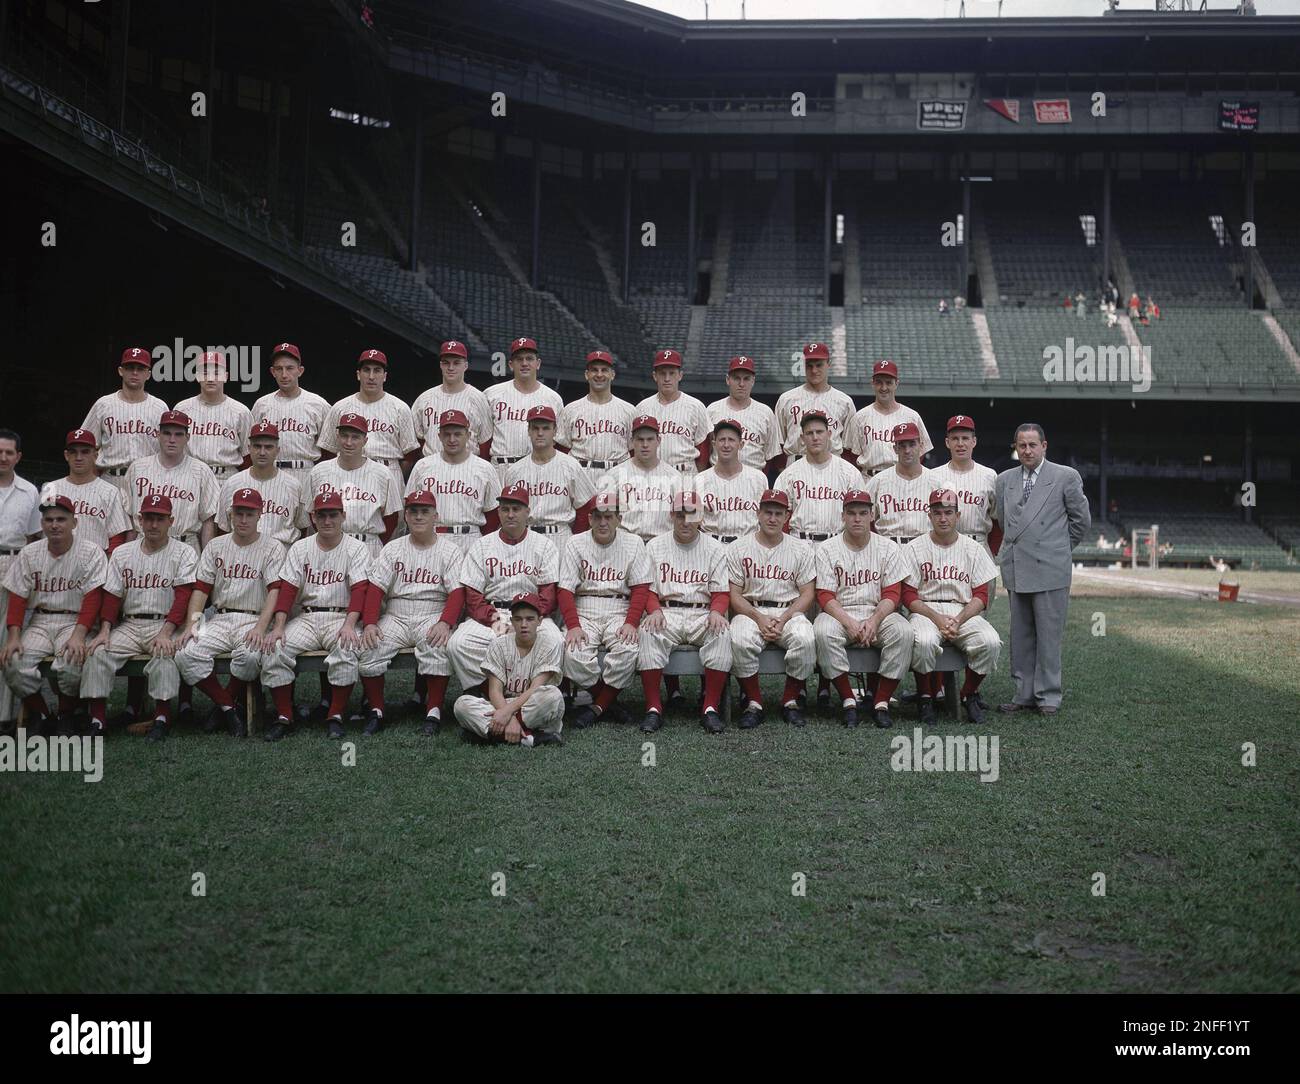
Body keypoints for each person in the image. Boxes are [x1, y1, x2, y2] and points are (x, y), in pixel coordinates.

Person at [80, 494, 197, 741]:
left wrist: (167, 632)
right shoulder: (122, 553)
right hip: (131, 624)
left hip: (164, 622)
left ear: (171, 521)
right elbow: (112, 596)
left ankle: (162, 718)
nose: (154, 524)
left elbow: (183, 597)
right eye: (149, 518)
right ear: (139, 520)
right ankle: (98, 720)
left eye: (160, 518)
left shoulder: (184, 552)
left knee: (165, 654)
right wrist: (105, 630)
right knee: (98, 652)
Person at [995, 424, 1091, 717]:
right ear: (1016, 447)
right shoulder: (1004, 480)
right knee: (1020, 635)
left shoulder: (1065, 476)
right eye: (1021, 446)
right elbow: (1003, 522)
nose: (1027, 451)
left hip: (1051, 569)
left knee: (1048, 635)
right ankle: (1023, 694)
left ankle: (1049, 695)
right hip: (1017, 567)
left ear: (1044, 445)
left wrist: (1056, 549)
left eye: (1032, 445)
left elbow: (1081, 522)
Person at [261, 490, 371, 742]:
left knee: (347, 646)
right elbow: (287, 590)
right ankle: (285, 716)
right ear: (313, 518)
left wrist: (350, 625)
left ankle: (335, 715)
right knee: (274, 646)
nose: (327, 521)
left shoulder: (356, 548)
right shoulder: (301, 548)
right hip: (307, 618)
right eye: (322, 515)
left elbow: (360, 590)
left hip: (340, 617)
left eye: (333, 515)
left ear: (343, 516)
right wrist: (278, 626)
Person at [174, 487, 283, 738]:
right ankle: (228, 707)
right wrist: (193, 625)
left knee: (250, 655)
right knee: (185, 652)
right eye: (239, 513)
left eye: (249, 514)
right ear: (231, 514)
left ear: (260, 514)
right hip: (221, 617)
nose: (243, 519)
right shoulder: (215, 546)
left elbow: (274, 593)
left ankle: (225, 705)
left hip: (253, 617)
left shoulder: (272, 547)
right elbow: (201, 591)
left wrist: (260, 627)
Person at [357, 490, 463, 736]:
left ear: (436, 515)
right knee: (369, 646)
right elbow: (375, 589)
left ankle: (433, 711)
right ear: (405, 515)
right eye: (413, 511)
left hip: (432, 612)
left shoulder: (450, 550)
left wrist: (446, 622)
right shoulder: (393, 549)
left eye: (424, 511)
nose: (418, 516)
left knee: (437, 646)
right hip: (396, 613)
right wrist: (371, 623)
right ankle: (376, 710)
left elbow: (457, 593)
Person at [0, 495, 106, 736]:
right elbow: (18, 596)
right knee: (13, 661)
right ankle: (42, 714)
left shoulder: (90, 552)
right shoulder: (30, 553)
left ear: (74, 522)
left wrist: (80, 635)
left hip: (74, 620)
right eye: (49, 520)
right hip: (40, 620)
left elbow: (93, 598)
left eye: (61, 519)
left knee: (72, 659)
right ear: (42, 523)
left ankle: (65, 714)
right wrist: (14, 636)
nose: (55, 524)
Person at [444, 481, 559, 695]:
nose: (511, 514)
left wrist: (524, 620)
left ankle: (533, 696)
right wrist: (496, 621)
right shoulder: (481, 545)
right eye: (505, 509)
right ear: (498, 512)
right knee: (458, 644)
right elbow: (474, 597)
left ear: (528, 512)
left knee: (555, 640)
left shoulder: (544, 546)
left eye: (516, 509)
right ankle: (488, 692)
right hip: (492, 614)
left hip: (530, 615)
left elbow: (548, 596)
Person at [900, 489, 1002, 726]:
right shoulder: (915, 547)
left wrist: (959, 619)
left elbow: (981, 595)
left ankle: (968, 693)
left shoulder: (973, 548)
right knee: (923, 642)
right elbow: (909, 596)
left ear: (958, 515)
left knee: (990, 642)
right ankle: (925, 697)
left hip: (963, 611)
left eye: (948, 512)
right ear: (929, 515)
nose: (943, 518)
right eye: (937, 513)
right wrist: (937, 618)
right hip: (925, 610)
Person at [814, 489, 912, 729]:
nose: (857, 518)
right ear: (843, 516)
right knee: (822, 632)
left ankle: (881, 702)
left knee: (904, 632)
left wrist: (875, 621)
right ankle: (848, 700)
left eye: (863, 513)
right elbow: (825, 595)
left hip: (878, 612)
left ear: (872, 516)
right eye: (851, 513)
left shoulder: (888, 548)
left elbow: (892, 594)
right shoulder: (827, 549)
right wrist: (848, 622)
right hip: (841, 612)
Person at [637, 491, 731, 735]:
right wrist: (654, 610)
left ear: (701, 517)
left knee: (722, 632)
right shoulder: (655, 546)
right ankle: (653, 708)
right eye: (680, 515)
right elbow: (647, 589)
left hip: (702, 613)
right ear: (671, 516)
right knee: (647, 631)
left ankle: (710, 708)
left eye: (692, 515)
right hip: (667, 612)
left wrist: (717, 612)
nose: (685, 521)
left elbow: (721, 592)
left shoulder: (715, 548)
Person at [559, 491, 652, 729]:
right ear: (589, 519)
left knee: (628, 647)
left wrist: (631, 622)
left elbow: (641, 588)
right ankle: (609, 703)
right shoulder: (575, 542)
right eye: (597, 516)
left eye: (608, 517)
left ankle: (597, 707)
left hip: (619, 607)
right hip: (584, 607)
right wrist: (573, 625)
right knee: (572, 654)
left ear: (619, 519)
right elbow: (565, 590)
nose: (603, 522)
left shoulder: (633, 542)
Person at [727, 490, 816, 730]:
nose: (773, 518)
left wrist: (785, 618)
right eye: (768, 512)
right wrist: (758, 618)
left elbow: (807, 592)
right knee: (738, 639)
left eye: (778, 513)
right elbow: (734, 594)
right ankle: (754, 703)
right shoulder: (738, 548)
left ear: (787, 516)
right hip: (751, 610)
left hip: (789, 610)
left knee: (806, 638)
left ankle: (790, 701)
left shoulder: (801, 548)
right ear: (758, 513)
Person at [453, 594, 565, 747]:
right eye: (518, 619)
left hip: (531, 704)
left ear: (540, 621)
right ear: (511, 621)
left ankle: (491, 735)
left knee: (553, 696)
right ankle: (531, 739)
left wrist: (507, 715)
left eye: (530, 619)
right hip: (503, 704)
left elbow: (535, 688)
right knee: (461, 704)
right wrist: (508, 716)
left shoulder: (549, 645)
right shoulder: (499, 644)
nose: (523, 624)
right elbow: (495, 691)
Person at [300, 413, 402, 557]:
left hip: (368, 546)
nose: (348, 442)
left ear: (365, 440)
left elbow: (392, 518)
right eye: (344, 436)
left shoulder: (382, 473)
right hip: (329, 545)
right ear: (337, 436)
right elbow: (311, 514)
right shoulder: (319, 471)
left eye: (355, 437)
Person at [502, 405, 596, 561]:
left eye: (545, 428)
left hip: (560, 537)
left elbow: (586, 507)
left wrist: (575, 540)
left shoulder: (570, 466)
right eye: (535, 428)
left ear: (555, 431)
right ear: (529, 431)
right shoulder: (515, 471)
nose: (540, 433)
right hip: (526, 537)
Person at [318, 349, 420, 491]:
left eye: (377, 370)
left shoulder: (400, 408)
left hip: (388, 470)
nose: (371, 376)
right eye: (366, 370)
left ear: (384, 376)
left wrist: (392, 475)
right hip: (348, 474)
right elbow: (328, 450)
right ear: (358, 375)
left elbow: (410, 455)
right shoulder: (340, 407)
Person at [405, 409, 501, 553]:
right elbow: (410, 507)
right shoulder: (423, 466)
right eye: (447, 434)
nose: (452, 439)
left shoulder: (485, 468)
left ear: (468, 435)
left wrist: (482, 544)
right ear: (439, 436)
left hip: (470, 539)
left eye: (457, 434)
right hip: (431, 538)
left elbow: (493, 513)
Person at [124, 410, 220, 553]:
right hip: (143, 545)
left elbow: (208, 522)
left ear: (187, 437)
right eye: (167, 433)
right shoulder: (137, 468)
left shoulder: (201, 471)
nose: (172, 439)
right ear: (158, 435)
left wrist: (207, 560)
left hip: (186, 545)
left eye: (178, 434)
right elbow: (131, 521)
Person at [79, 347, 169, 498]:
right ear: (121, 371)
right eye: (130, 368)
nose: (135, 372)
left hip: (149, 482)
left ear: (148, 374)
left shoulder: (160, 407)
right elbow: (86, 445)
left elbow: (169, 450)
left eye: (140, 368)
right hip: (110, 479)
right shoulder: (103, 404)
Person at [0, 428, 45, 729]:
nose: (3, 457)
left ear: (18, 457)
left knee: (7, 640)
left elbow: (34, 539)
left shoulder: (30, 492)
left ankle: (4, 715)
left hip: (12, 562)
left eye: (8, 452)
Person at [773, 412, 862, 544]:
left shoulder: (850, 473)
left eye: (819, 432)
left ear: (829, 434)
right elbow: (779, 517)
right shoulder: (788, 474)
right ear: (802, 438)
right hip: (799, 543)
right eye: (810, 433)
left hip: (837, 543)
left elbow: (859, 516)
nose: (815, 437)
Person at [484, 337, 564, 481]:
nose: (524, 363)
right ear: (510, 364)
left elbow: (557, 441)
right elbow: (484, 438)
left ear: (538, 363)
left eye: (529, 358)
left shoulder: (553, 398)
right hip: (500, 468)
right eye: (519, 359)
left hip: (538, 469)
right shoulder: (491, 394)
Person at [39, 429, 131, 553]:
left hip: (94, 565)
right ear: (66, 455)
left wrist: (108, 567)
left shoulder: (110, 491)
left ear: (96, 455)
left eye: (85, 452)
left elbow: (116, 538)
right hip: (54, 563)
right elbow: (38, 533)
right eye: (73, 452)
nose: (79, 457)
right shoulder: (50, 488)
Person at [250, 342, 330, 485]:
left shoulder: (318, 404)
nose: (284, 374)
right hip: (268, 471)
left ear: (300, 370)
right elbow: (251, 445)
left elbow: (330, 449)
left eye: (290, 368)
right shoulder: (262, 404)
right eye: (279, 369)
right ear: (272, 372)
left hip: (305, 472)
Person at [216, 420, 302, 549]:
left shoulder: (293, 485)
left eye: (268, 447)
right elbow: (222, 529)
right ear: (249, 448)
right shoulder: (232, 483)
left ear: (277, 450)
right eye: (257, 446)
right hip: (241, 556)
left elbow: (302, 527)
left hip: (282, 555)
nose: (262, 452)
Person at [926, 415, 1002, 559]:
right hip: (942, 548)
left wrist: (992, 551)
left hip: (978, 545)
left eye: (965, 438)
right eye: (955, 439)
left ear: (974, 441)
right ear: (947, 443)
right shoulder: (933, 476)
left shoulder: (989, 475)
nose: (960, 443)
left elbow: (998, 521)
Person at [557, 350, 636, 487]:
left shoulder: (629, 411)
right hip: (581, 474)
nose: (599, 375)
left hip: (616, 475)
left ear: (612, 374)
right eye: (594, 370)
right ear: (587, 375)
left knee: (614, 509)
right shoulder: (571, 409)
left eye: (604, 370)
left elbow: (634, 451)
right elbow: (561, 449)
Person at [173, 350, 253, 484]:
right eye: (205, 373)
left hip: (227, 478)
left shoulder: (241, 411)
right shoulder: (182, 409)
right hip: (189, 476)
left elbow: (249, 456)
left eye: (216, 373)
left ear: (226, 376)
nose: (210, 378)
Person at [846, 360, 934, 480]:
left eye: (888, 383)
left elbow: (921, 451)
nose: (884, 388)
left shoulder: (912, 416)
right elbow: (851, 456)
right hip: (869, 478)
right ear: (872, 383)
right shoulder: (859, 417)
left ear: (896, 383)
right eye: (879, 383)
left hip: (902, 478)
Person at [604, 416, 684, 543]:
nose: (645, 445)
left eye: (650, 439)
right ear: (632, 441)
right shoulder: (614, 475)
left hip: (662, 543)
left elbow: (683, 518)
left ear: (659, 440)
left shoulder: (675, 477)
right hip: (624, 543)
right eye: (640, 439)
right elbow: (604, 517)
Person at [633, 349, 712, 478]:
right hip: (651, 474)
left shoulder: (696, 406)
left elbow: (704, 447)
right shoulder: (642, 407)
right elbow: (634, 447)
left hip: (685, 472)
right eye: (662, 373)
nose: (667, 378)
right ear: (654, 376)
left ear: (680, 375)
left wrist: (698, 476)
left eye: (672, 373)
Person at [773, 342, 856, 463]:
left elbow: (850, 447)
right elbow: (778, 443)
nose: (814, 370)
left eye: (819, 365)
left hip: (833, 465)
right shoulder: (786, 399)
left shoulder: (844, 401)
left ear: (828, 364)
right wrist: (783, 469)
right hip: (796, 463)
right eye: (809, 365)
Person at [411, 340, 492, 457]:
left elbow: (485, 443)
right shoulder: (424, 399)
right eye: (446, 363)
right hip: (432, 467)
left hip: (467, 468)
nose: (451, 367)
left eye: (456, 363)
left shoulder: (478, 398)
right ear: (440, 365)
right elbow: (417, 442)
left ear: (466, 366)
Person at [695, 418, 766, 544]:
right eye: (722, 440)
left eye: (731, 440)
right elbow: (692, 522)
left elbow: (765, 520)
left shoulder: (758, 478)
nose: (726, 445)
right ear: (713, 443)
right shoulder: (699, 479)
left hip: (747, 545)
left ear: (741, 444)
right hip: (711, 545)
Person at [705, 356, 780, 474]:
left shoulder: (765, 413)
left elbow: (770, 457)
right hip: (718, 479)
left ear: (753, 381)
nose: (741, 383)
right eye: (736, 378)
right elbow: (706, 451)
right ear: (727, 379)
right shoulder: (712, 410)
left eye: (746, 379)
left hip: (754, 477)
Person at [865, 422, 934, 544]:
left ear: (921, 446)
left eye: (912, 444)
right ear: (895, 448)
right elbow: (863, 518)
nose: (907, 450)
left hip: (924, 547)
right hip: (887, 547)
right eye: (902, 445)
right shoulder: (877, 482)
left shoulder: (936, 481)